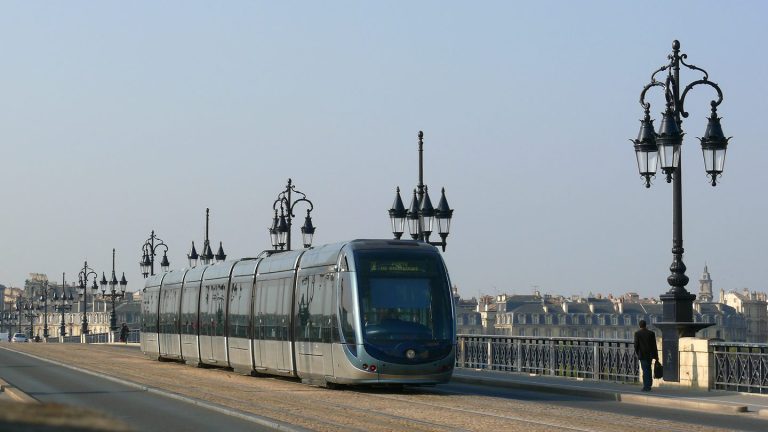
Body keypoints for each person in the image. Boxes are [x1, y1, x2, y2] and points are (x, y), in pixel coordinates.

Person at [634, 320, 659, 392]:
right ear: (646, 325)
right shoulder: (651, 333)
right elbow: (654, 346)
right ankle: (649, 384)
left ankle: (646, 386)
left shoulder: (637, 333)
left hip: (642, 355)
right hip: (650, 355)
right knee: (649, 369)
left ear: (639, 326)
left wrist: (638, 353)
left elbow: (636, 345)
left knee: (645, 370)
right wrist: (656, 356)